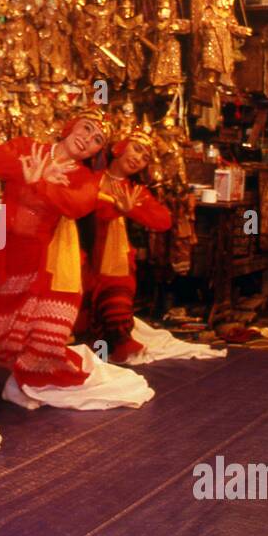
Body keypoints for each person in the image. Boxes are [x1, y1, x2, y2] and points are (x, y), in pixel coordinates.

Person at [0, 109, 153, 409]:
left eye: (96, 139)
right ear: (69, 127)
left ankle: (29, 381)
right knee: (8, 329)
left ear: (96, 151)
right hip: (10, 250)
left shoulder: (85, 178)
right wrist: (23, 171)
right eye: (86, 129)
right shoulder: (28, 148)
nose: (88, 139)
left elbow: (76, 204)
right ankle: (18, 379)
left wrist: (41, 183)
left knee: (47, 331)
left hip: (52, 255)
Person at [87, 128, 173, 364]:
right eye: (136, 149)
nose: (138, 159)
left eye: (145, 158)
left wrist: (131, 209)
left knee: (116, 307)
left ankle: (116, 351)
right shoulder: (90, 178)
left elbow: (164, 221)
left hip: (117, 263)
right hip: (84, 254)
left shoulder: (135, 192)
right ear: (119, 147)